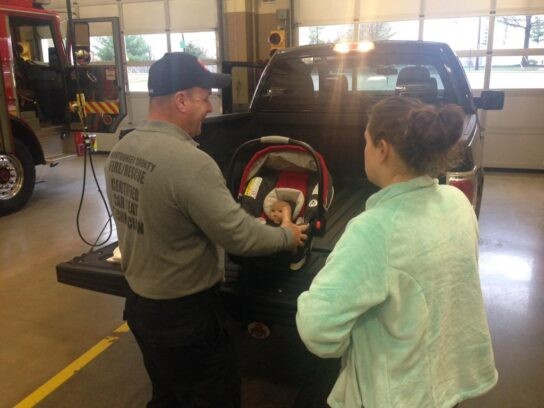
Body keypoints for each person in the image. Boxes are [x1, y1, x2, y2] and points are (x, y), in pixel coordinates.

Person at [105, 52, 307, 407]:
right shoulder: (191, 162)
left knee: (167, 394)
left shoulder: (121, 150)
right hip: (186, 319)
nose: (211, 107)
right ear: (181, 100)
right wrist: (286, 236)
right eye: (204, 97)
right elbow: (239, 237)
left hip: (141, 308)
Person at [296, 96, 498, 408]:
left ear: (383, 148)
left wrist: (351, 334)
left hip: (397, 396)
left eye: (365, 140)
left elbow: (317, 329)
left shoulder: (374, 230)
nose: (363, 149)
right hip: (446, 387)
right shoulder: (457, 203)